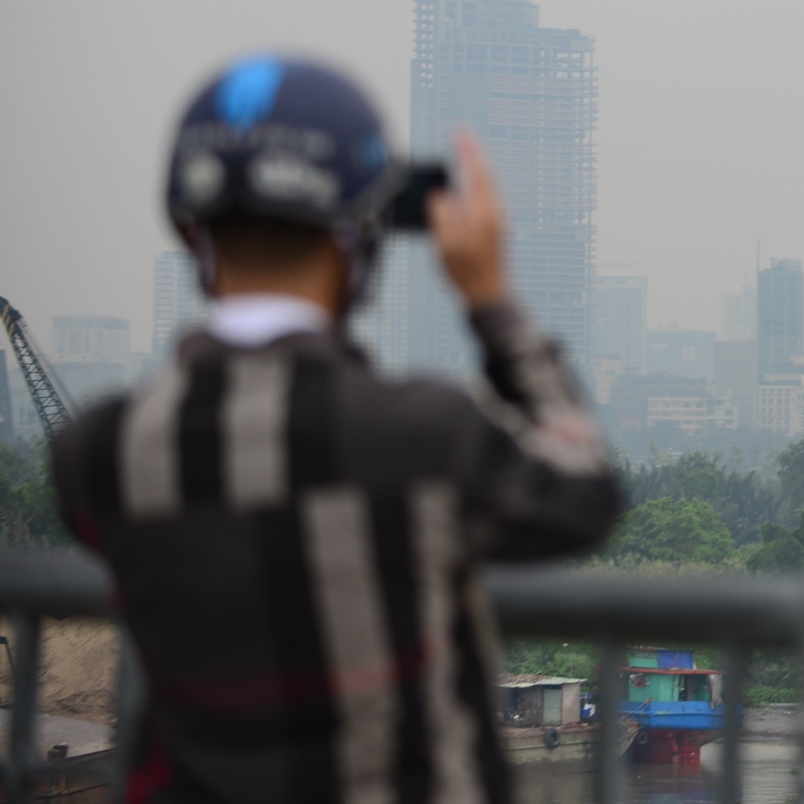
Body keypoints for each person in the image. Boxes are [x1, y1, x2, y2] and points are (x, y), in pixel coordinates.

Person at [50, 55, 621, 803]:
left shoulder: (98, 456)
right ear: (363, 235)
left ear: (191, 231)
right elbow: (583, 495)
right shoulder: (422, 433)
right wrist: (492, 301)